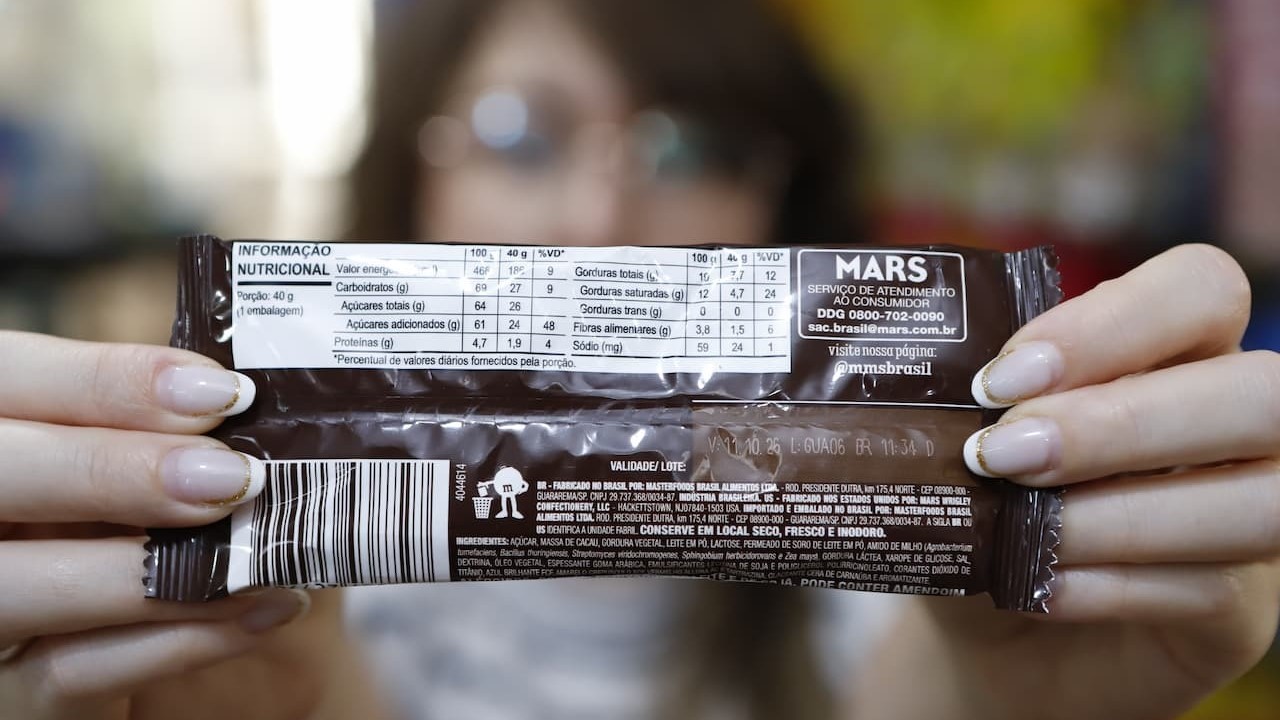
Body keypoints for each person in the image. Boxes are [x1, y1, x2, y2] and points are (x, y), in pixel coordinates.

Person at [1, 1, 1277, 719]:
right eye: (521, 135)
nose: (597, 216)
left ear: (781, 211)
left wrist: (985, 704)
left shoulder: (907, 599)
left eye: (686, 149)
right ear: (410, 181)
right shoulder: (251, 611)